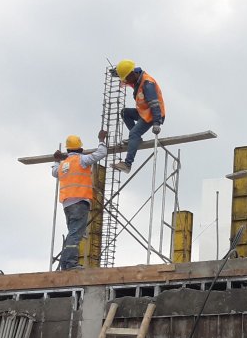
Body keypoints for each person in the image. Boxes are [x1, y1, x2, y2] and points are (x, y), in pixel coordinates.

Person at [51, 130, 109, 270]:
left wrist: (57, 159)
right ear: (81, 148)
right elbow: (101, 153)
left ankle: (65, 264)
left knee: (73, 232)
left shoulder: (65, 164)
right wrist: (101, 139)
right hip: (79, 201)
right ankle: (70, 264)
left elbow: (54, 172)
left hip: (67, 204)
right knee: (76, 233)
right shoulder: (81, 160)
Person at [112, 59, 164, 173]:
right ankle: (136, 139)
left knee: (134, 133)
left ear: (132, 74)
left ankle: (127, 164)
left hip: (152, 115)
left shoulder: (147, 83)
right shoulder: (136, 77)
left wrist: (157, 122)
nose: (126, 81)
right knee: (125, 113)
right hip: (143, 112)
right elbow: (129, 79)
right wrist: (117, 74)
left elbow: (154, 103)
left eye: (126, 78)